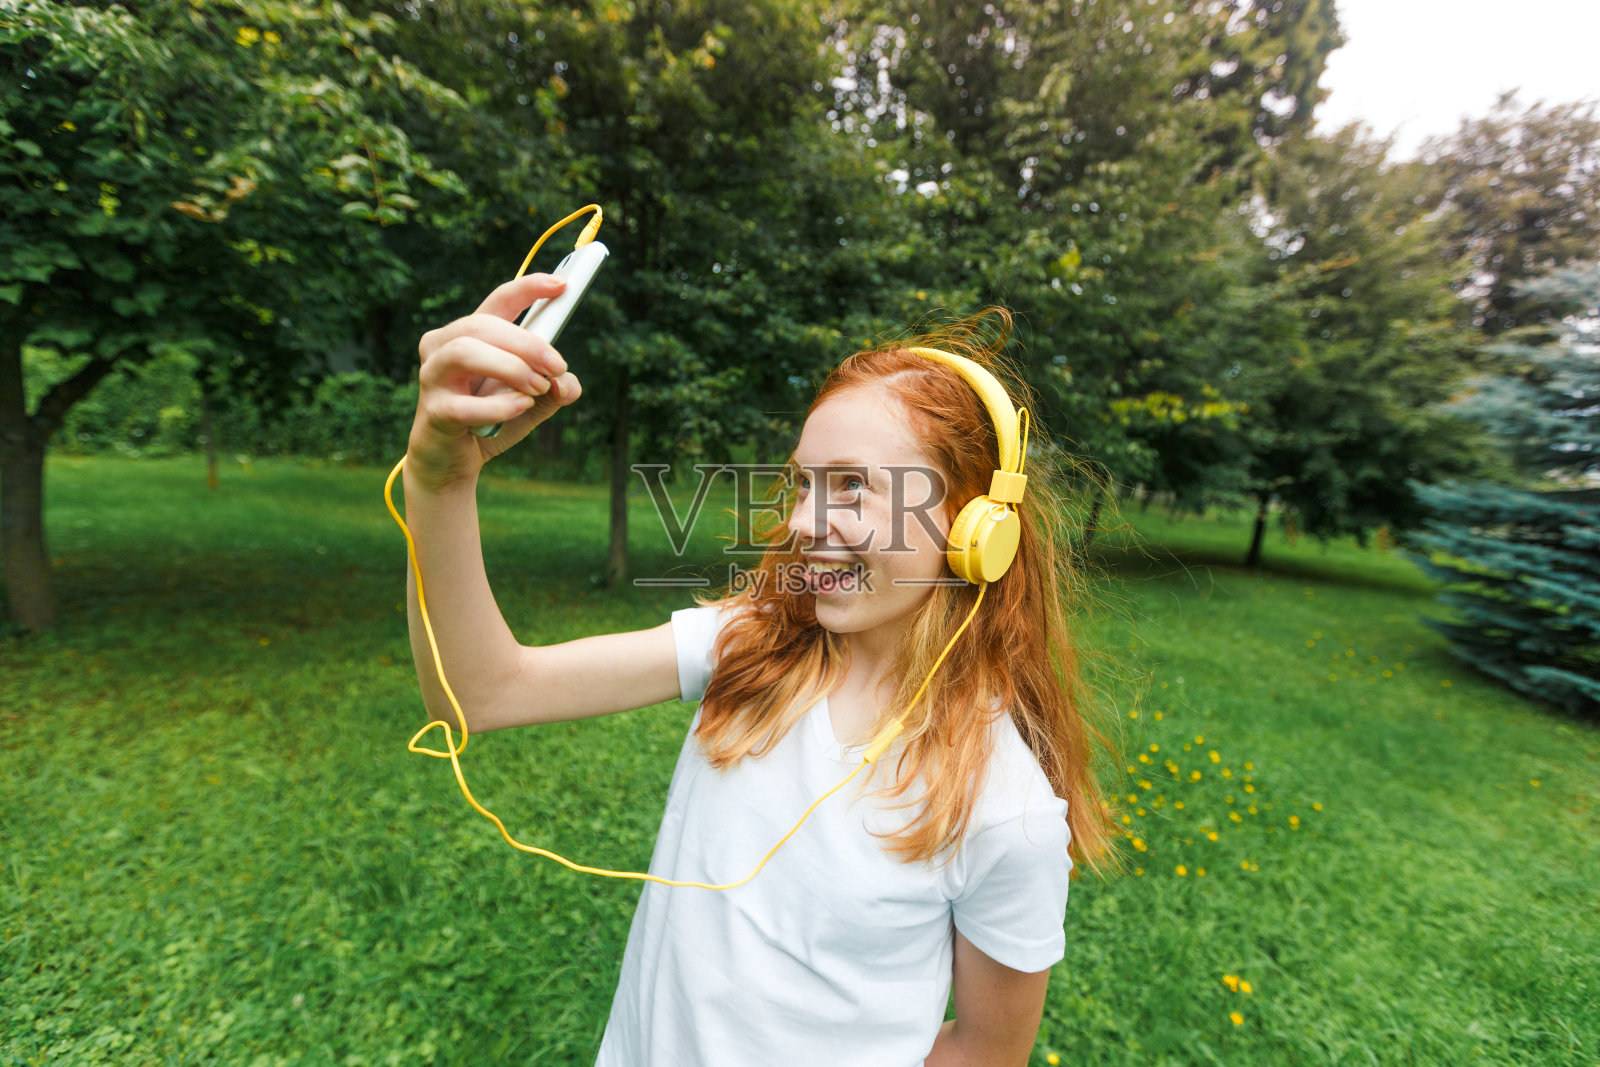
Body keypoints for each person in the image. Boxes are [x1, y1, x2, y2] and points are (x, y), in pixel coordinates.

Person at [402, 272, 1120, 1066]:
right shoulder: (748, 643)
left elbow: (987, 1049)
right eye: (806, 483)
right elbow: (479, 690)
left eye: (853, 487)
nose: (807, 523)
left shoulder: (1003, 808)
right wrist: (441, 476)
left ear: (975, 526)